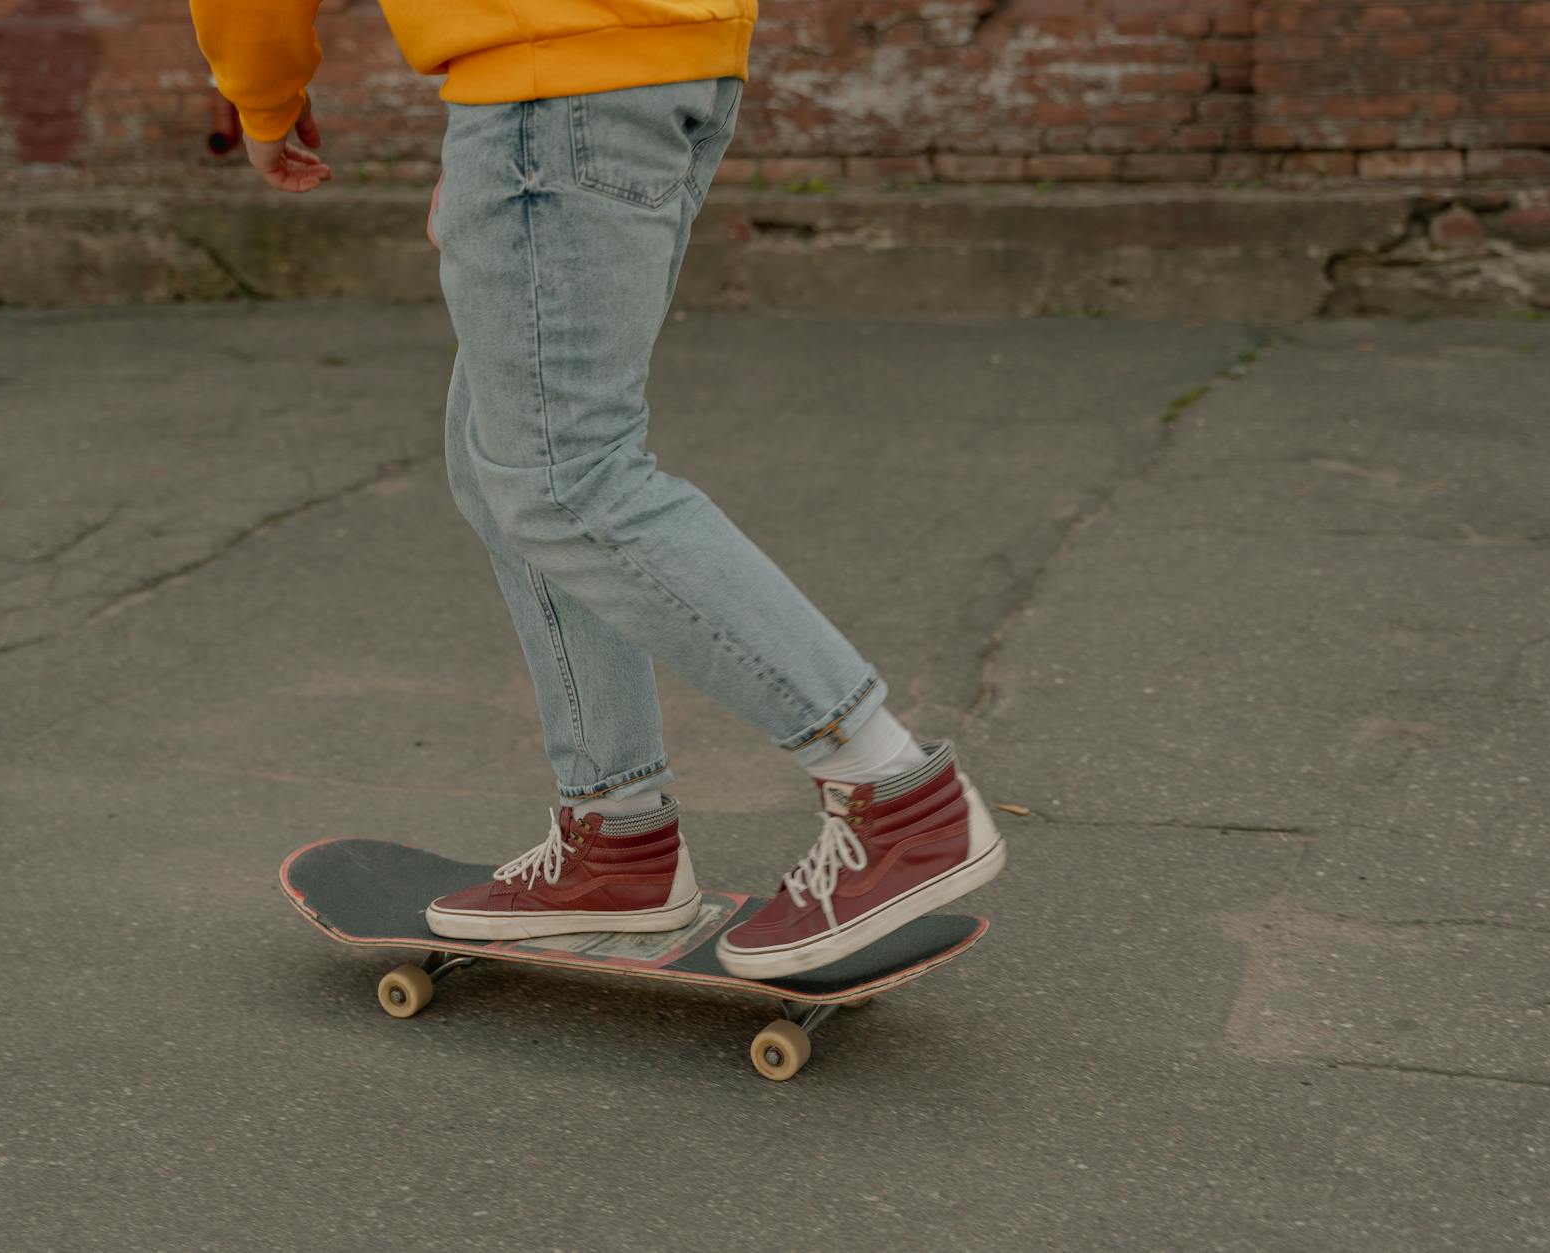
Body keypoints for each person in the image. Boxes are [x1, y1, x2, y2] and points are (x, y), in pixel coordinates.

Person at [187, 1, 1005, 978]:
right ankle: (616, 834)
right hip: (644, 64)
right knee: (501, 459)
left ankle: (896, 793)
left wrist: (261, 92)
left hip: (556, 79)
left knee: (560, 474)